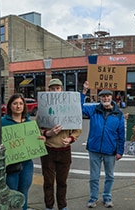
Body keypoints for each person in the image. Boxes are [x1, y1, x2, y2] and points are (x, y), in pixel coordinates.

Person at [40, 79, 82, 210]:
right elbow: (36, 127)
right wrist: (48, 133)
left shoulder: (71, 107)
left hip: (64, 150)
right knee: (48, 182)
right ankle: (49, 206)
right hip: (49, 150)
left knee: (62, 182)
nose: (55, 91)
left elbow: (77, 128)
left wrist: (70, 138)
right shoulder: (43, 107)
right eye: (52, 89)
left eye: (57, 88)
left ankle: (62, 205)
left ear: (61, 90)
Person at [81, 88, 125, 208]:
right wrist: (84, 92)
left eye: (108, 96)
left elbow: (121, 135)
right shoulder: (94, 109)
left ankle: (107, 197)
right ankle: (93, 198)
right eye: (103, 96)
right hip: (94, 149)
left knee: (109, 176)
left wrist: (120, 151)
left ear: (112, 97)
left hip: (110, 150)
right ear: (100, 98)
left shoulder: (118, 114)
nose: (105, 98)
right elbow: (78, 107)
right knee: (94, 177)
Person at [3, 93, 46, 210]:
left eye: (21, 103)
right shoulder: (3, 122)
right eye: (15, 103)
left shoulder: (29, 123)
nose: (18, 106)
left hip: (27, 164)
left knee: (24, 192)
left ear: (24, 106)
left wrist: (41, 139)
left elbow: (34, 140)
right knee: (11, 193)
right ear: (10, 106)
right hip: (11, 165)